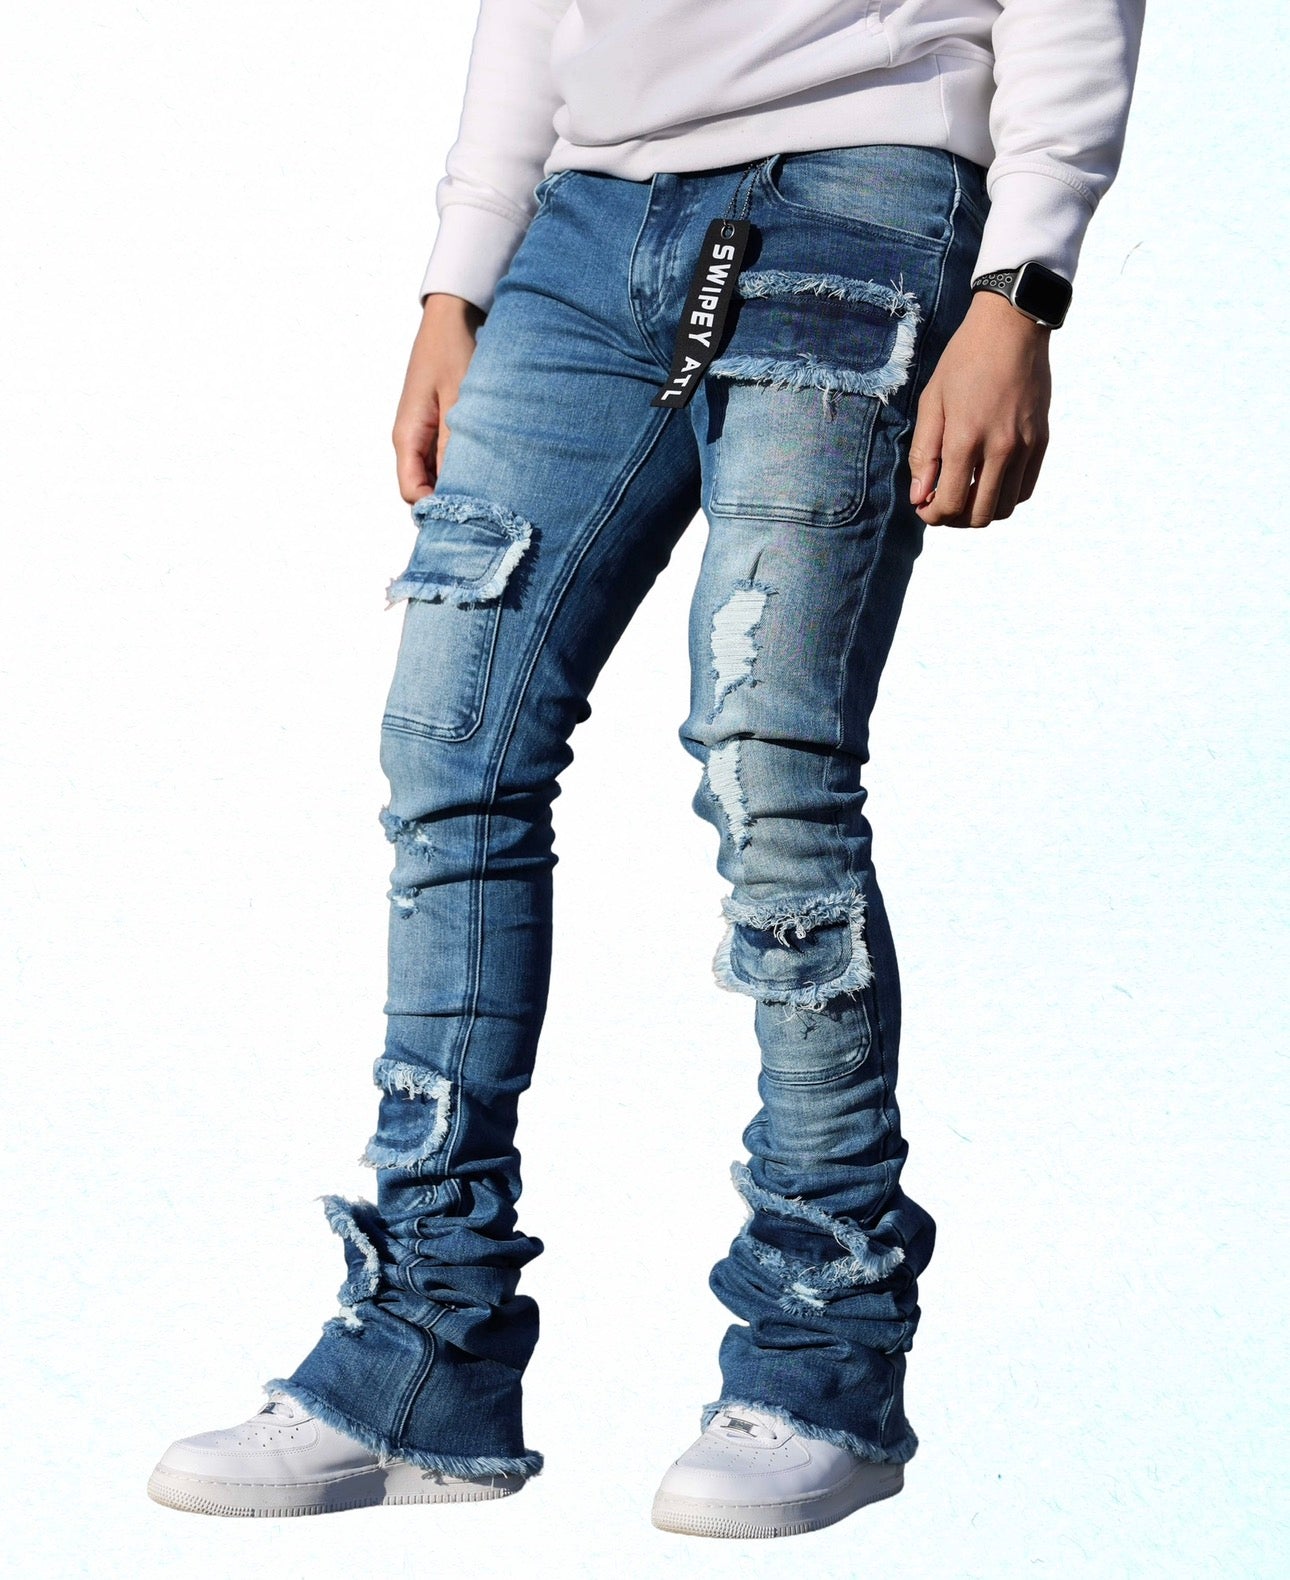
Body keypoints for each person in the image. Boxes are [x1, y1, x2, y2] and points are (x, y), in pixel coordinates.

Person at [148, 0, 1146, 1539]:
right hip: (585, 223)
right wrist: (457, 277)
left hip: (864, 193)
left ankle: (821, 1361)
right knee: (450, 754)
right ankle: (422, 1353)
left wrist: (1021, 287)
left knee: (770, 770)